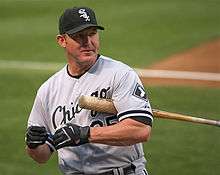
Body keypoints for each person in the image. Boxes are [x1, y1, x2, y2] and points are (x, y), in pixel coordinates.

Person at [25, 6, 153, 175]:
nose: (88, 42)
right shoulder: (48, 90)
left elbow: (140, 130)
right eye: (79, 36)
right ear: (62, 41)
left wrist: (85, 134)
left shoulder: (120, 74)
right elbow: (41, 156)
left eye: (92, 33)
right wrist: (34, 144)